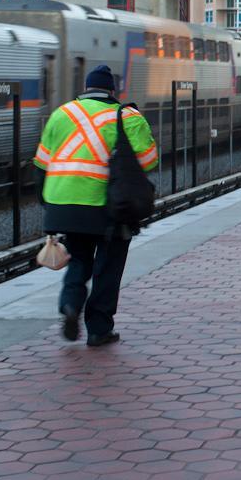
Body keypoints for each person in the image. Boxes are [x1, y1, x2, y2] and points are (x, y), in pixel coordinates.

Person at [33, 65, 158, 346]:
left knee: (78, 260)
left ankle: (70, 306)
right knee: (108, 267)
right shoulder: (127, 116)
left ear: (86, 89)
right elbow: (149, 161)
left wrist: (47, 200)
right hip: (112, 207)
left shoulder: (61, 114)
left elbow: (41, 162)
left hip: (65, 202)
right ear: (112, 91)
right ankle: (99, 329)